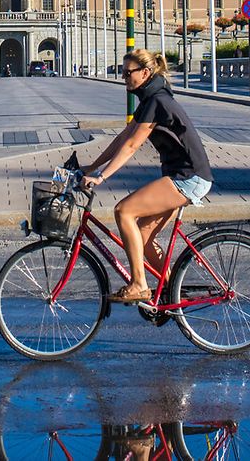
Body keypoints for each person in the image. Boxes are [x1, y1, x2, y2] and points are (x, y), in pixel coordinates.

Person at [83, 48, 214, 304]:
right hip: (183, 175)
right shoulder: (151, 98)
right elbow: (122, 138)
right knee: (141, 237)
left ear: (145, 73)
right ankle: (169, 292)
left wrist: (101, 177)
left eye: (127, 73)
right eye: (122, 73)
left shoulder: (157, 101)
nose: (123, 78)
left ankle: (139, 284)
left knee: (124, 211)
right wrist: (92, 167)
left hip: (188, 178)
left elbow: (132, 146)